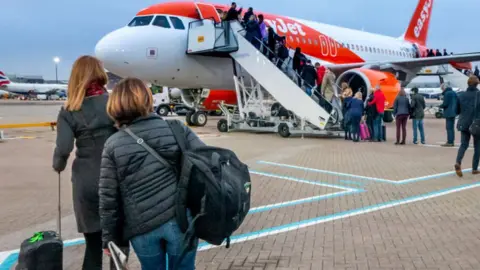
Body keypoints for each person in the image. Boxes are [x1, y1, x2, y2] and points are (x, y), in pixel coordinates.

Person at [99, 78, 205, 269]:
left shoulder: (113, 144)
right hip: (180, 219)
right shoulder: (176, 129)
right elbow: (205, 163)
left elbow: (108, 199)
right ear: (147, 100)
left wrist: (110, 238)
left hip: (141, 227)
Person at [52, 55, 128, 270]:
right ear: (100, 74)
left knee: (93, 246)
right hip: (115, 177)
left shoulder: (68, 111)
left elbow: (64, 149)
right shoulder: (115, 104)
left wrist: (58, 164)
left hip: (86, 181)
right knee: (119, 245)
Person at [454, 75, 480, 177]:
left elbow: (457, 111)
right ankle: (474, 168)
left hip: (463, 123)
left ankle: (458, 162)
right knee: (477, 146)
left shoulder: (461, 95)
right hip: (476, 124)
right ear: (477, 84)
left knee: (463, 144)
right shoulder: (479, 95)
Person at [439, 81, 458, 147]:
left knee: (449, 128)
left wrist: (440, 105)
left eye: (442, 88)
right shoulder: (454, 93)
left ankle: (450, 142)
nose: (442, 89)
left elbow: (445, 104)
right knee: (451, 128)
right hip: (454, 112)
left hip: (449, 112)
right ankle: (451, 141)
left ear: (444, 87)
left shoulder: (447, 93)